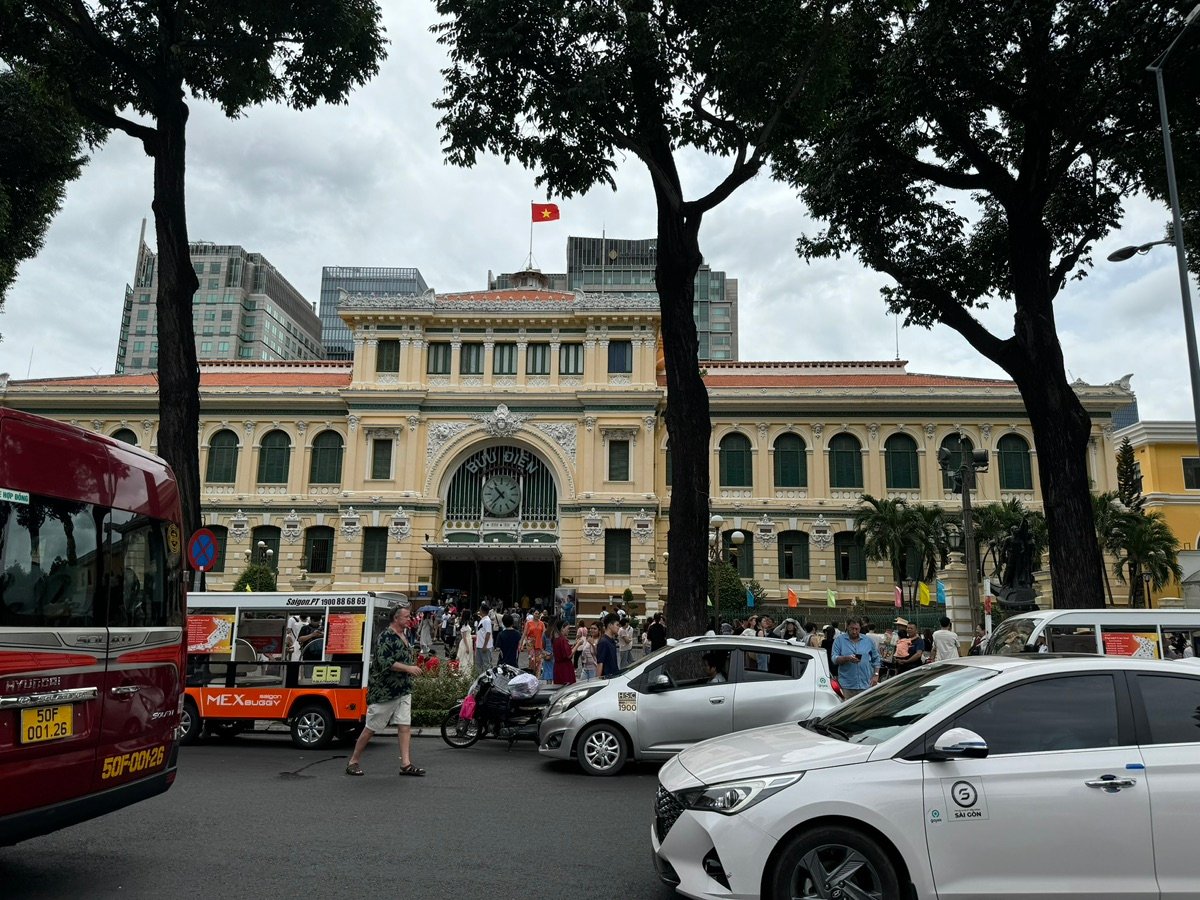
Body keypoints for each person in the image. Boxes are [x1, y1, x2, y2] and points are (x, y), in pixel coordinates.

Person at [346, 602, 425, 777]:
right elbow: (384, 662)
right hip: (385, 691)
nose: (409, 619)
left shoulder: (404, 635)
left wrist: (410, 667)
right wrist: (408, 668)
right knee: (371, 727)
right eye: (406, 617)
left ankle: (405, 764)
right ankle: (353, 761)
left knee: (405, 725)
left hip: (403, 688)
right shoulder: (385, 637)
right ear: (396, 618)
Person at [831, 618, 881, 697]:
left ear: (860, 628)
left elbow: (876, 659)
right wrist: (847, 658)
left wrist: (876, 675)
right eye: (852, 629)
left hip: (866, 685)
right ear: (847, 627)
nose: (854, 632)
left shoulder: (868, 641)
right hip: (847, 686)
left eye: (857, 629)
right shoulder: (839, 640)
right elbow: (834, 659)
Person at [596, 613, 621, 679]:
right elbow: (600, 663)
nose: (619, 627)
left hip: (613, 677)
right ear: (610, 625)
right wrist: (597, 683)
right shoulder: (603, 642)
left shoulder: (611, 641)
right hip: (607, 679)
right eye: (617, 625)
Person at [552, 618, 576, 685]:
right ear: (562, 628)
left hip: (558, 667)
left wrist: (572, 647)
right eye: (567, 628)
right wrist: (578, 645)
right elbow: (569, 655)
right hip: (565, 668)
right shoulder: (562, 640)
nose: (568, 630)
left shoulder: (556, 639)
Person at [474, 606, 494, 671]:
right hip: (479, 645)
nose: (479, 611)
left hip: (485, 646)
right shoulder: (483, 619)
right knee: (478, 664)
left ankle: (487, 679)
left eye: (480, 610)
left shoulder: (487, 620)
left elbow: (488, 633)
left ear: (482, 611)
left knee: (486, 665)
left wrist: (485, 645)